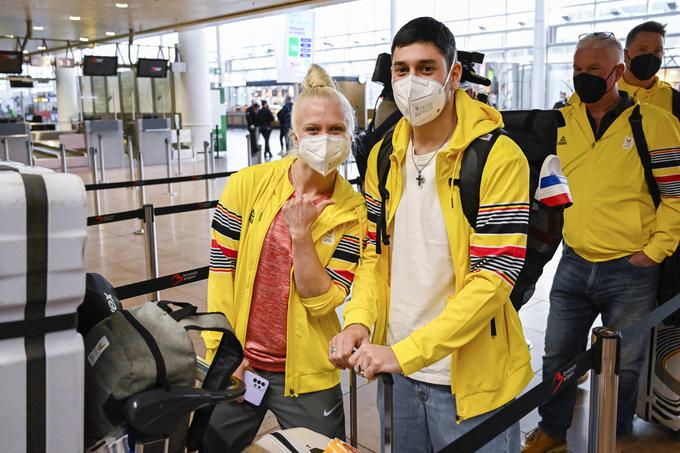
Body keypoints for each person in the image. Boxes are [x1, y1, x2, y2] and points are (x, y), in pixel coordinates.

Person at [329, 17, 533, 452]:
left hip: (467, 379)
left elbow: (493, 280)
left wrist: (407, 352)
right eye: (401, 70)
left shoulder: (497, 157)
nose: (411, 82)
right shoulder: (384, 156)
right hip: (398, 372)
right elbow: (372, 255)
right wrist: (360, 320)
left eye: (426, 68)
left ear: (453, 74)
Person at [522, 32, 680, 453]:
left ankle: (615, 431)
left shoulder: (655, 124)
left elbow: (676, 196)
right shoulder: (563, 121)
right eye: (577, 69)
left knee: (624, 365)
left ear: (617, 72)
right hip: (574, 261)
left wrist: (655, 251)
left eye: (594, 70)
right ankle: (553, 430)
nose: (583, 77)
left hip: (632, 269)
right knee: (557, 355)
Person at [201, 63, 366, 452]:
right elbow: (221, 271)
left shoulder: (354, 211)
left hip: (308, 373)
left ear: (350, 135)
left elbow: (324, 299)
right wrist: (221, 355)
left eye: (336, 129)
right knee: (214, 445)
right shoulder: (247, 184)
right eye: (313, 129)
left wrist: (301, 235)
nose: (324, 139)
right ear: (295, 135)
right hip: (242, 364)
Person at [620, 21, 678, 117]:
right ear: (625, 55)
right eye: (642, 49)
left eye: (657, 50)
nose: (651, 56)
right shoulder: (608, 92)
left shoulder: (674, 99)